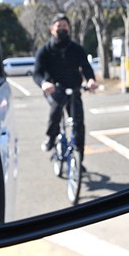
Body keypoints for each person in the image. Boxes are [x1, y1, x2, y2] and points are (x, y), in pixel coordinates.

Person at [33, 14, 97, 155]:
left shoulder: (77, 49)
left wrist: (91, 80)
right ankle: (51, 137)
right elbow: (36, 73)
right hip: (54, 89)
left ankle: (79, 158)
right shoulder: (45, 50)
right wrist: (44, 84)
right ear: (52, 29)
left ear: (69, 28)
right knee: (56, 110)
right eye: (59, 26)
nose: (62, 28)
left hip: (74, 89)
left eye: (65, 26)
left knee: (79, 123)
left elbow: (86, 67)